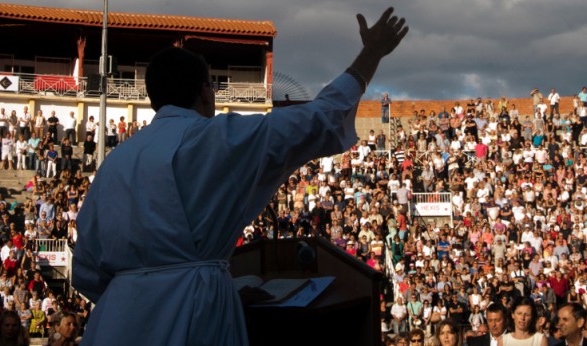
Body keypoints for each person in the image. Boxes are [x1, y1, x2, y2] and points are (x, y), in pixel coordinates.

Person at [71, 7, 408, 345]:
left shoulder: (115, 163)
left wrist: (142, 294)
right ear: (205, 92)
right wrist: (371, 53)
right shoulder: (220, 140)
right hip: (196, 317)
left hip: (116, 323)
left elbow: (86, 272)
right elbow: (322, 118)